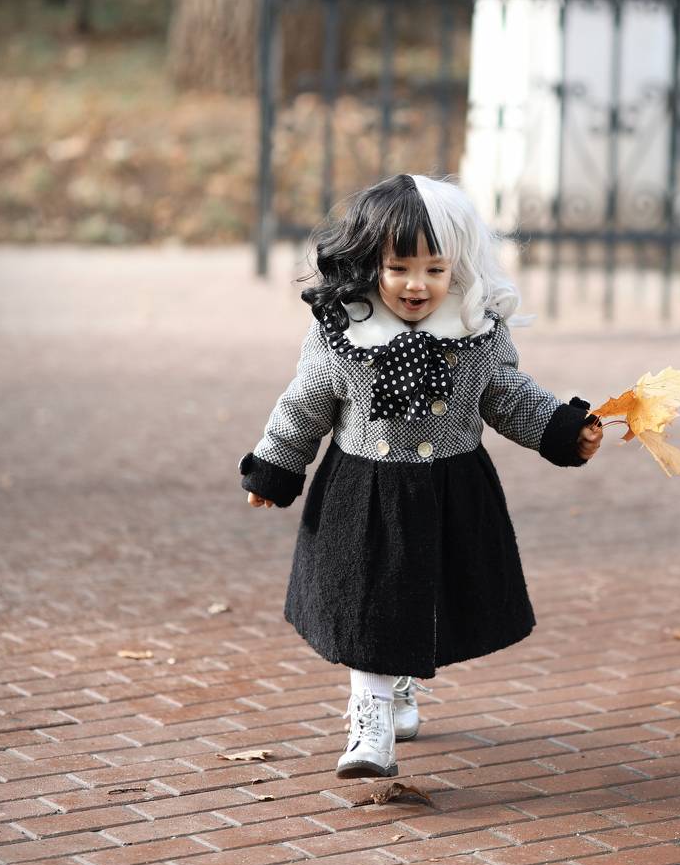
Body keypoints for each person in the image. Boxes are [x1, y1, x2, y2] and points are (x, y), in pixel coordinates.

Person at [239, 173, 603, 779]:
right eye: (400, 267)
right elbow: (305, 403)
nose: (417, 284)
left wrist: (563, 430)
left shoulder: (476, 330)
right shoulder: (343, 332)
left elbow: (508, 396)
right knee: (367, 602)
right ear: (371, 262)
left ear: (457, 266)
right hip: (365, 491)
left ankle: (400, 683)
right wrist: (275, 467)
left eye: (435, 269)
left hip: (449, 491)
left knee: (422, 594)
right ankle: (370, 723)